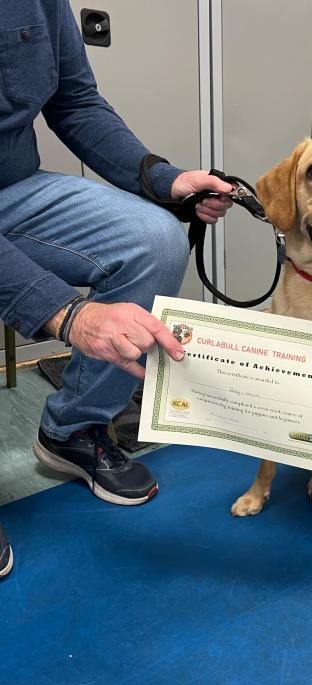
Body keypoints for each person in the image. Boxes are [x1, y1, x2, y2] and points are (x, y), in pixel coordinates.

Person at [0, 0, 234, 513]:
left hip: (11, 186)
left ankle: (74, 428)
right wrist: (67, 315)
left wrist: (163, 179)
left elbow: (75, 100)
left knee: (154, 238)